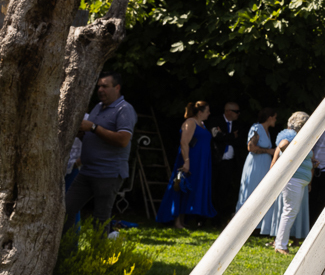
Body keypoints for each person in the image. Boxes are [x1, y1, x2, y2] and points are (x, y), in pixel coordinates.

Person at [64, 71, 138, 235]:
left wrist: (93, 127)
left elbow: (123, 140)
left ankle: (99, 251)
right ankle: (68, 249)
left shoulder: (124, 109)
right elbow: (95, 136)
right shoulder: (98, 107)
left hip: (108, 173)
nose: (100, 90)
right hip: (87, 171)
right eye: (99, 86)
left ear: (117, 88)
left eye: (105, 86)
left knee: (100, 218)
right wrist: (82, 134)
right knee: (66, 209)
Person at [156, 101, 217, 229]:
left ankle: (183, 220)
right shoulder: (190, 122)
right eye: (207, 111)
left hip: (200, 162)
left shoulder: (202, 124)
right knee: (182, 187)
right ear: (200, 112)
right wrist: (187, 161)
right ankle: (176, 221)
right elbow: (184, 142)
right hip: (191, 160)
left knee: (190, 189)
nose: (209, 113)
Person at [268, 111, 315, 254]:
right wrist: (296, 157)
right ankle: (281, 246)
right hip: (293, 179)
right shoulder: (292, 136)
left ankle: (280, 243)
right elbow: (283, 145)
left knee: (290, 211)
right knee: (289, 212)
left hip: (297, 179)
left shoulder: (298, 137)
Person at [235, 108, 278, 229]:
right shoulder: (257, 128)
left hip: (264, 165)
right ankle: (243, 224)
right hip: (255, 164)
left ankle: (258, 225)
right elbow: (251, 147)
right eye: (275, 117)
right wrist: (269, 151)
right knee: (251, 190)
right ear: (269, 117)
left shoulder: (267, 131)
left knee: (262, 192)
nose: (275, 120)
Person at [207, 102, 244, 226]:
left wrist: (225, 136)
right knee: (212, 188)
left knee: (223, 190)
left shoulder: (238, 124)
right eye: (236, 111)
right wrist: (231, 136)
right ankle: (207, 217)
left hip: (229, 163)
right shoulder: (215, 121)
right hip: (216, 161)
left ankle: (218, 219)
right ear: (228, 111)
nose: (238, 114)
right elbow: (216, 135)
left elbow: (239, 141)